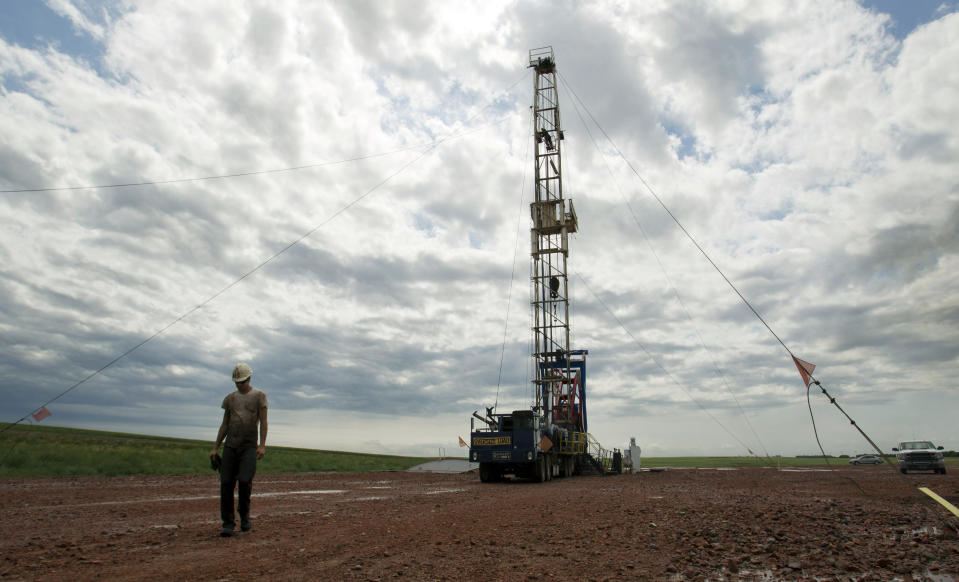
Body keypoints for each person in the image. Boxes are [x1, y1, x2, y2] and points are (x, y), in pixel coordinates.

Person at [210, 363, 268, 537]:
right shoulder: (230, 399)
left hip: (249, 447)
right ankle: (227, 523)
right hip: (230, 446)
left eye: (242, 381)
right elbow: (225, 424)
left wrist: (262, 445)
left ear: (249, 378)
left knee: (244, 480)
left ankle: (244, 515)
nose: (239, 385)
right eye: (237, 382)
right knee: (226, 483)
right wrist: (215, 447)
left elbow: (263, 422)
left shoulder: (259, 396)